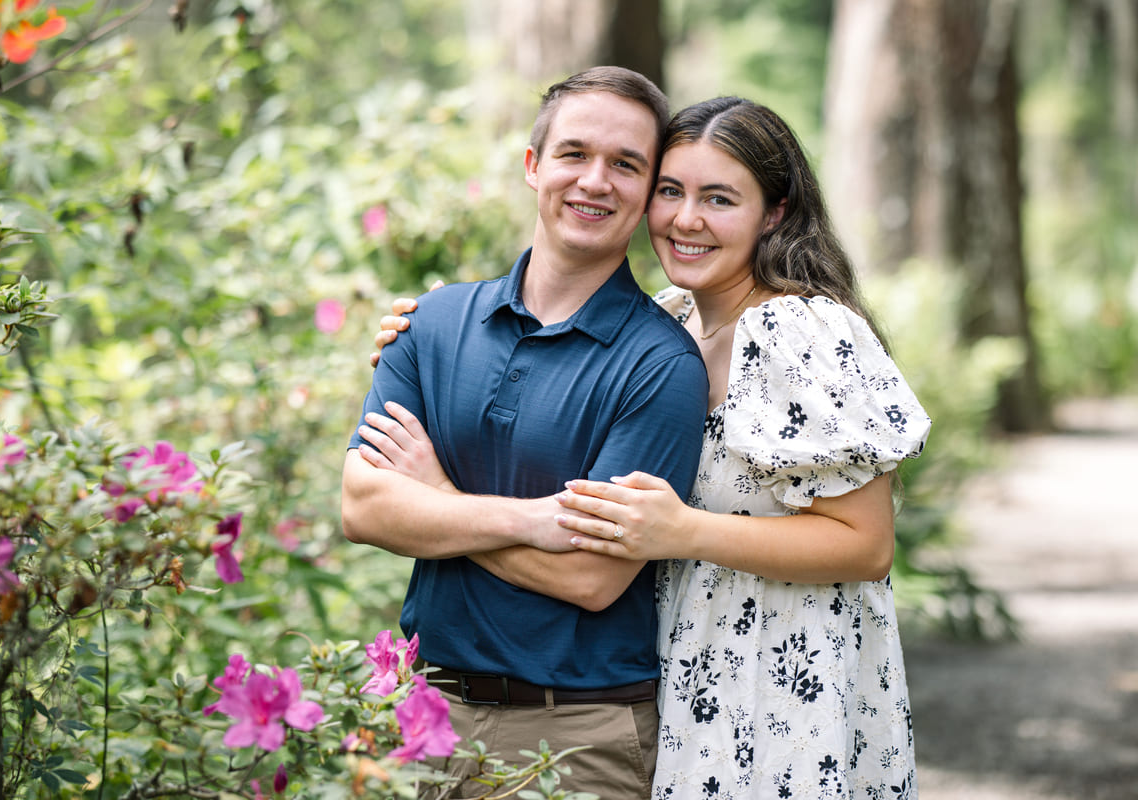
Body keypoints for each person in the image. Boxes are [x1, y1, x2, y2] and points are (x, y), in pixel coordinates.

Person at [365, 96, 931, 799]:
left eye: (719, 198)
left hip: (784, 679)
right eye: (671, 191)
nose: (685, 219)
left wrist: (683, 531)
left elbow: (866, 543)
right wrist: (422, 335)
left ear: (775, 213)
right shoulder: (675, 319)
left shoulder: (802, 330)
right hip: (689, 672)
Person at [340, 66, 709, 800]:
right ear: (535, 165)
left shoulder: (662, 365)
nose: (595, 181)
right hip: (423, 717)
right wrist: (535, 521)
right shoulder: (431, 324)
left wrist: (439, 498)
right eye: (575, 154)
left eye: (626, 165)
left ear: (647, 196)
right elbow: (365, 508)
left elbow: (592, 577)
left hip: (580, 736)